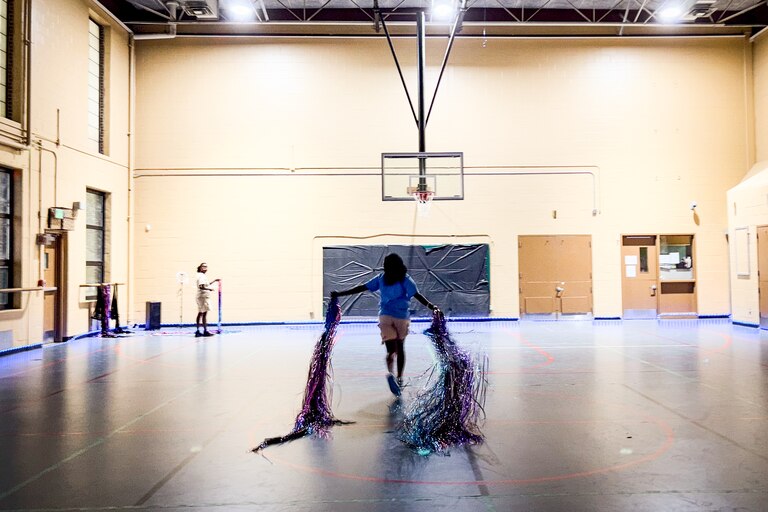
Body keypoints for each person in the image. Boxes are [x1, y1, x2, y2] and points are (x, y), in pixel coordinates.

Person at [331, 253, 438, 396]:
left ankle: (397, 376)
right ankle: (393, 375)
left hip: (396, 317)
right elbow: (362, 288)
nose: (385, 269)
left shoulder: (403, 280)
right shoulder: (384, 279)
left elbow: (416, 295)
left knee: (396, 349)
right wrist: (340, 293)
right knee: (395, 348)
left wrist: (432, 307)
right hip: (391, 317)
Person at [195, 262, 219, 337]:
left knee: (204, 313)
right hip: (202, 297)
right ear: (200, 268)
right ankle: (198, 331)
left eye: (206, 267)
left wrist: (214, 281)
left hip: (205, 297)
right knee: (201, 313)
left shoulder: (203, 276)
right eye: (203, 267)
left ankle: (205, 330)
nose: (205, 268)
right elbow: (201, 287)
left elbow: (206, 284)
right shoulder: (201, 276)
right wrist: (210, 289)